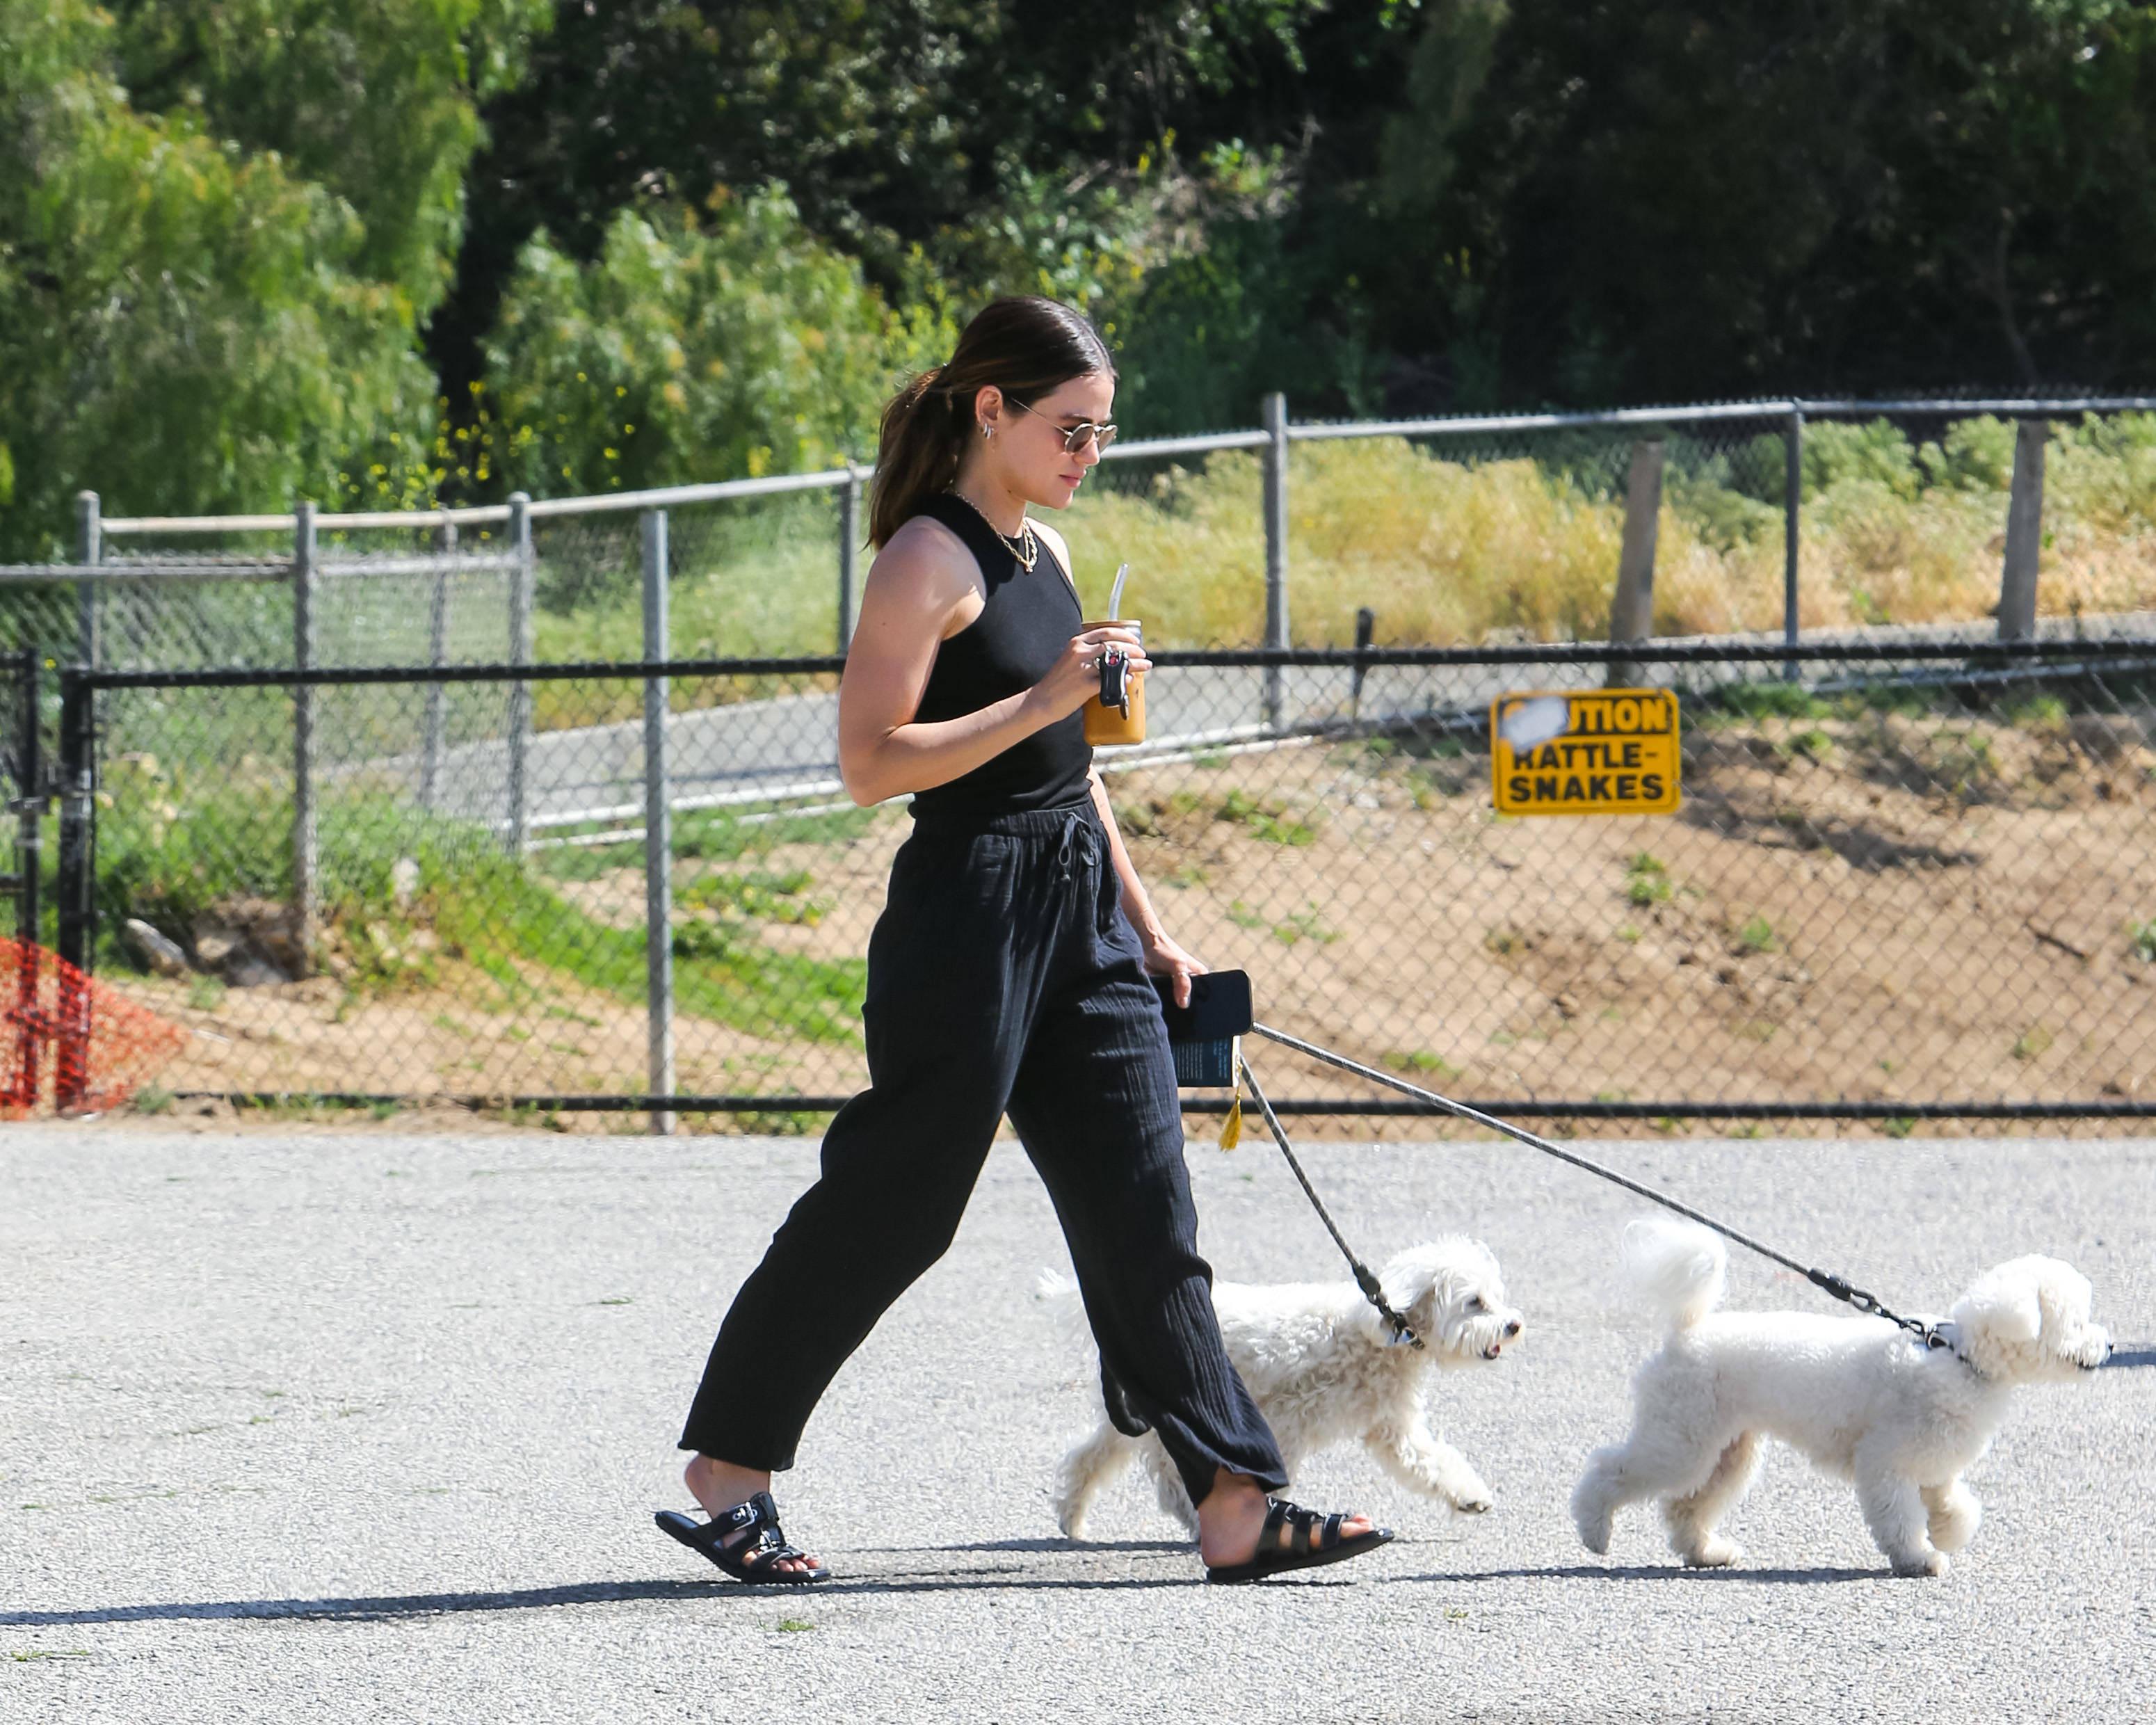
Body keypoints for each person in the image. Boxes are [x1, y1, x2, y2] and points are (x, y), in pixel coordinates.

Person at [655, 296, 1391, 1586]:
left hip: (1078, 907)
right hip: (969, 910)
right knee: (900, 1204)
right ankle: (730, 1469)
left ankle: (1235, 1499)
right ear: (991, 409)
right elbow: (867, 764)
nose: (1085, 454)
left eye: (1103, 435)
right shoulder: (923, 562)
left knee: (1146, 1204)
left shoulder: (1044, 553)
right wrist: (1045, 693)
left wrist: (1148, 925)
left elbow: (1077, 772)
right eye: (1069, 427)